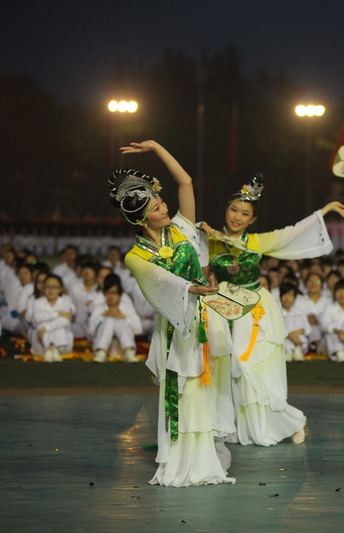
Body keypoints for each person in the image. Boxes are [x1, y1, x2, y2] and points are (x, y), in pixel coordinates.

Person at [111, 140, 233, 487]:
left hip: (207, 318)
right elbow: (163, 284)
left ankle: (210, 456)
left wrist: (157, 148)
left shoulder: (182, 228)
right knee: (183, 388)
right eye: (155, 208)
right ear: (140, 218)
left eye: (162, 202)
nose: (164, 209)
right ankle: (182, 460)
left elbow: (186, 183)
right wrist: (195, 288)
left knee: (209, 388)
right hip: (177, 326)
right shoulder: (136, 256)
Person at [199, 173, 344, 447]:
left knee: (248, 367)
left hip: (254, 310)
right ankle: (234, 425)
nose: (237, 216)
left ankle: (289, 421)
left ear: (252, 220)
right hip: (224, 309)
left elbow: (292, 232)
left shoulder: (257, 241)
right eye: (234, 209)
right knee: (228, 370)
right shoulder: (209, 239)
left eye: (244, 213)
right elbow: (203, 274)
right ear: (226, 210)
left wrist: (324, 211)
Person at [89, 273, 142, 363]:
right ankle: (101, 351)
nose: (111, 296)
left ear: (120, 295)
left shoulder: (126, 307)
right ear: (104, 294)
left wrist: (123, 317)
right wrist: (104, 317)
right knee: (109, 320)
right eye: (108, 293)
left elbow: (139, 329)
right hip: (103, 347)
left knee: (120, 321)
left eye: (114, 293)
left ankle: (128, 352)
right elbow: (91, 330)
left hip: (121, 347)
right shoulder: (99, 308)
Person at [29, 274, 75, 363]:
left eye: (54, 287)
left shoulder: (66, 302)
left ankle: (54, 349)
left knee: (58, 327)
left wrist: (46, 328)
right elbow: (37, 318)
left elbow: (65, 320)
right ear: (43, 288)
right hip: (40, 342)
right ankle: (50, 349)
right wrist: (57, 314)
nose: (50, 290)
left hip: (62, 343)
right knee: (42, 324)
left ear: (60, 289)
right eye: (47, 287)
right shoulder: (37, 302)